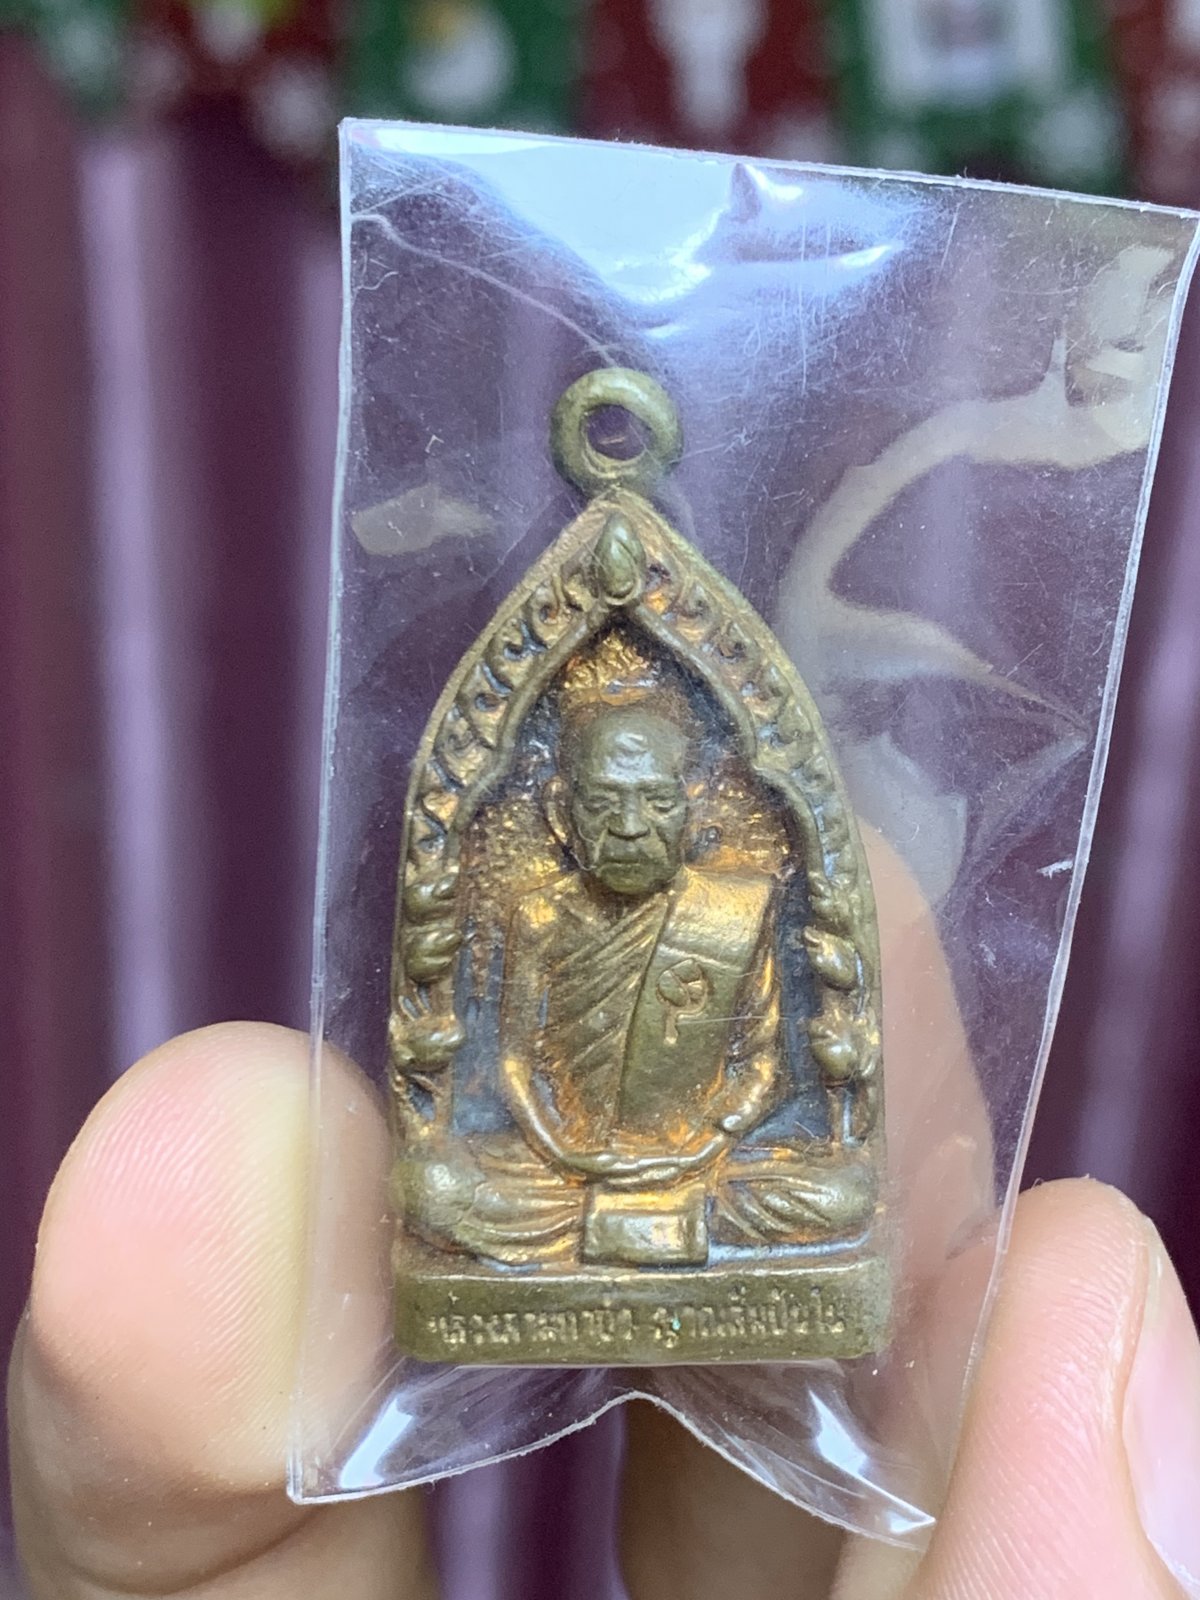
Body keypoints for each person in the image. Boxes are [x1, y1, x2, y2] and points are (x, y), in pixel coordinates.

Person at [9, 837, 1200, 1599]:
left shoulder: (729, 909)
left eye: (651, 800)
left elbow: (761, 1067)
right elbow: (504, 1064)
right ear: (572, 813)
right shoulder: (539, 915)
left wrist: (705, 1140)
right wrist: (569, 1147)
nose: (631, 825)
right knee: (433, 1191)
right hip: (555, 1168)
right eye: (607, 802)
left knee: (839, 1191)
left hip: (714, 1170)